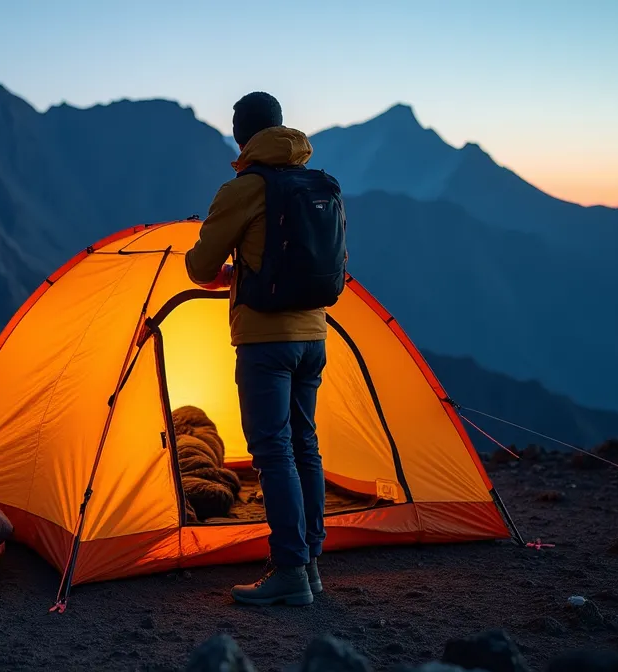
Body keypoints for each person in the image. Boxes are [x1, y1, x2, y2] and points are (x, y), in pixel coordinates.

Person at [184, 91, 346, 606]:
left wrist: (227, 273)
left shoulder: (245, 188)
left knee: (272, 453)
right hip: (314, 337)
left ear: (240, 134)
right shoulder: (319, 184)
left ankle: (289, 572)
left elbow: (199, 266)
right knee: (305, 446)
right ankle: (311, 564)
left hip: (264, 341)